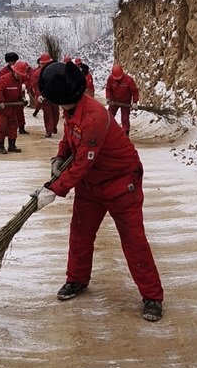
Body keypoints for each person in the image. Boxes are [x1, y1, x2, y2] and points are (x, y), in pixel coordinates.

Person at [32, 61, 163, 321]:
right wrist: (60, 156)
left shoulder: (93, 117)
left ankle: (152, 296)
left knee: (133, 241)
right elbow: (70, 139)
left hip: (121, 184)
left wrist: (53, 191)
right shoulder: (72, 110)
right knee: (79, 234)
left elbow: (81, 164)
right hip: (91, 185)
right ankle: (76, 280)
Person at [0, 60, 29, 154]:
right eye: (18, 73)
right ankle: (0, 146)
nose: (19, 75)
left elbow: (19, 91)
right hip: (0, 108)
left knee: (13, 126)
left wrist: (22, 98)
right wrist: (0, 101)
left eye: (21, 74)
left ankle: (12, 146)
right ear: (14, 71)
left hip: (11, 107)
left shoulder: (19, 79)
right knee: (2, 127)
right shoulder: (5, 79)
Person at [0, 51, 29, 135]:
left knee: (19, 112)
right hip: (7, 96)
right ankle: (9, 130)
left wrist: (24, 85)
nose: (12, 63)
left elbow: (26, 79)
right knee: (8, 114)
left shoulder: (20, 68)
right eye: (10, 62)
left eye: (14, 61)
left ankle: (21, 128)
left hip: (18, 95)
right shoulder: (3, 72)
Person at [31, 52, 60, 137]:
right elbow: (35, 85)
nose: (45, 65)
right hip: (44, 96)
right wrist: (39, 95)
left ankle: (54, 126)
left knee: (56, 113)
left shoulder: (55, 72)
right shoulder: (37, 74)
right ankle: (49, 130)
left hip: (54, 96)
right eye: (43, 64)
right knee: (47, 114)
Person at [105, 64, 139, 135]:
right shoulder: (110, 79)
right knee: (109, 116)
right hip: (114, 101)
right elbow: (108, 89)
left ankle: (125, 135)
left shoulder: (128, 80)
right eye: (116, 79)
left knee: (125, 119)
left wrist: (135, 102)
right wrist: (108, 98)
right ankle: (107, 132)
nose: (117, 80)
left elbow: (135, 91)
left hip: (126, 102)